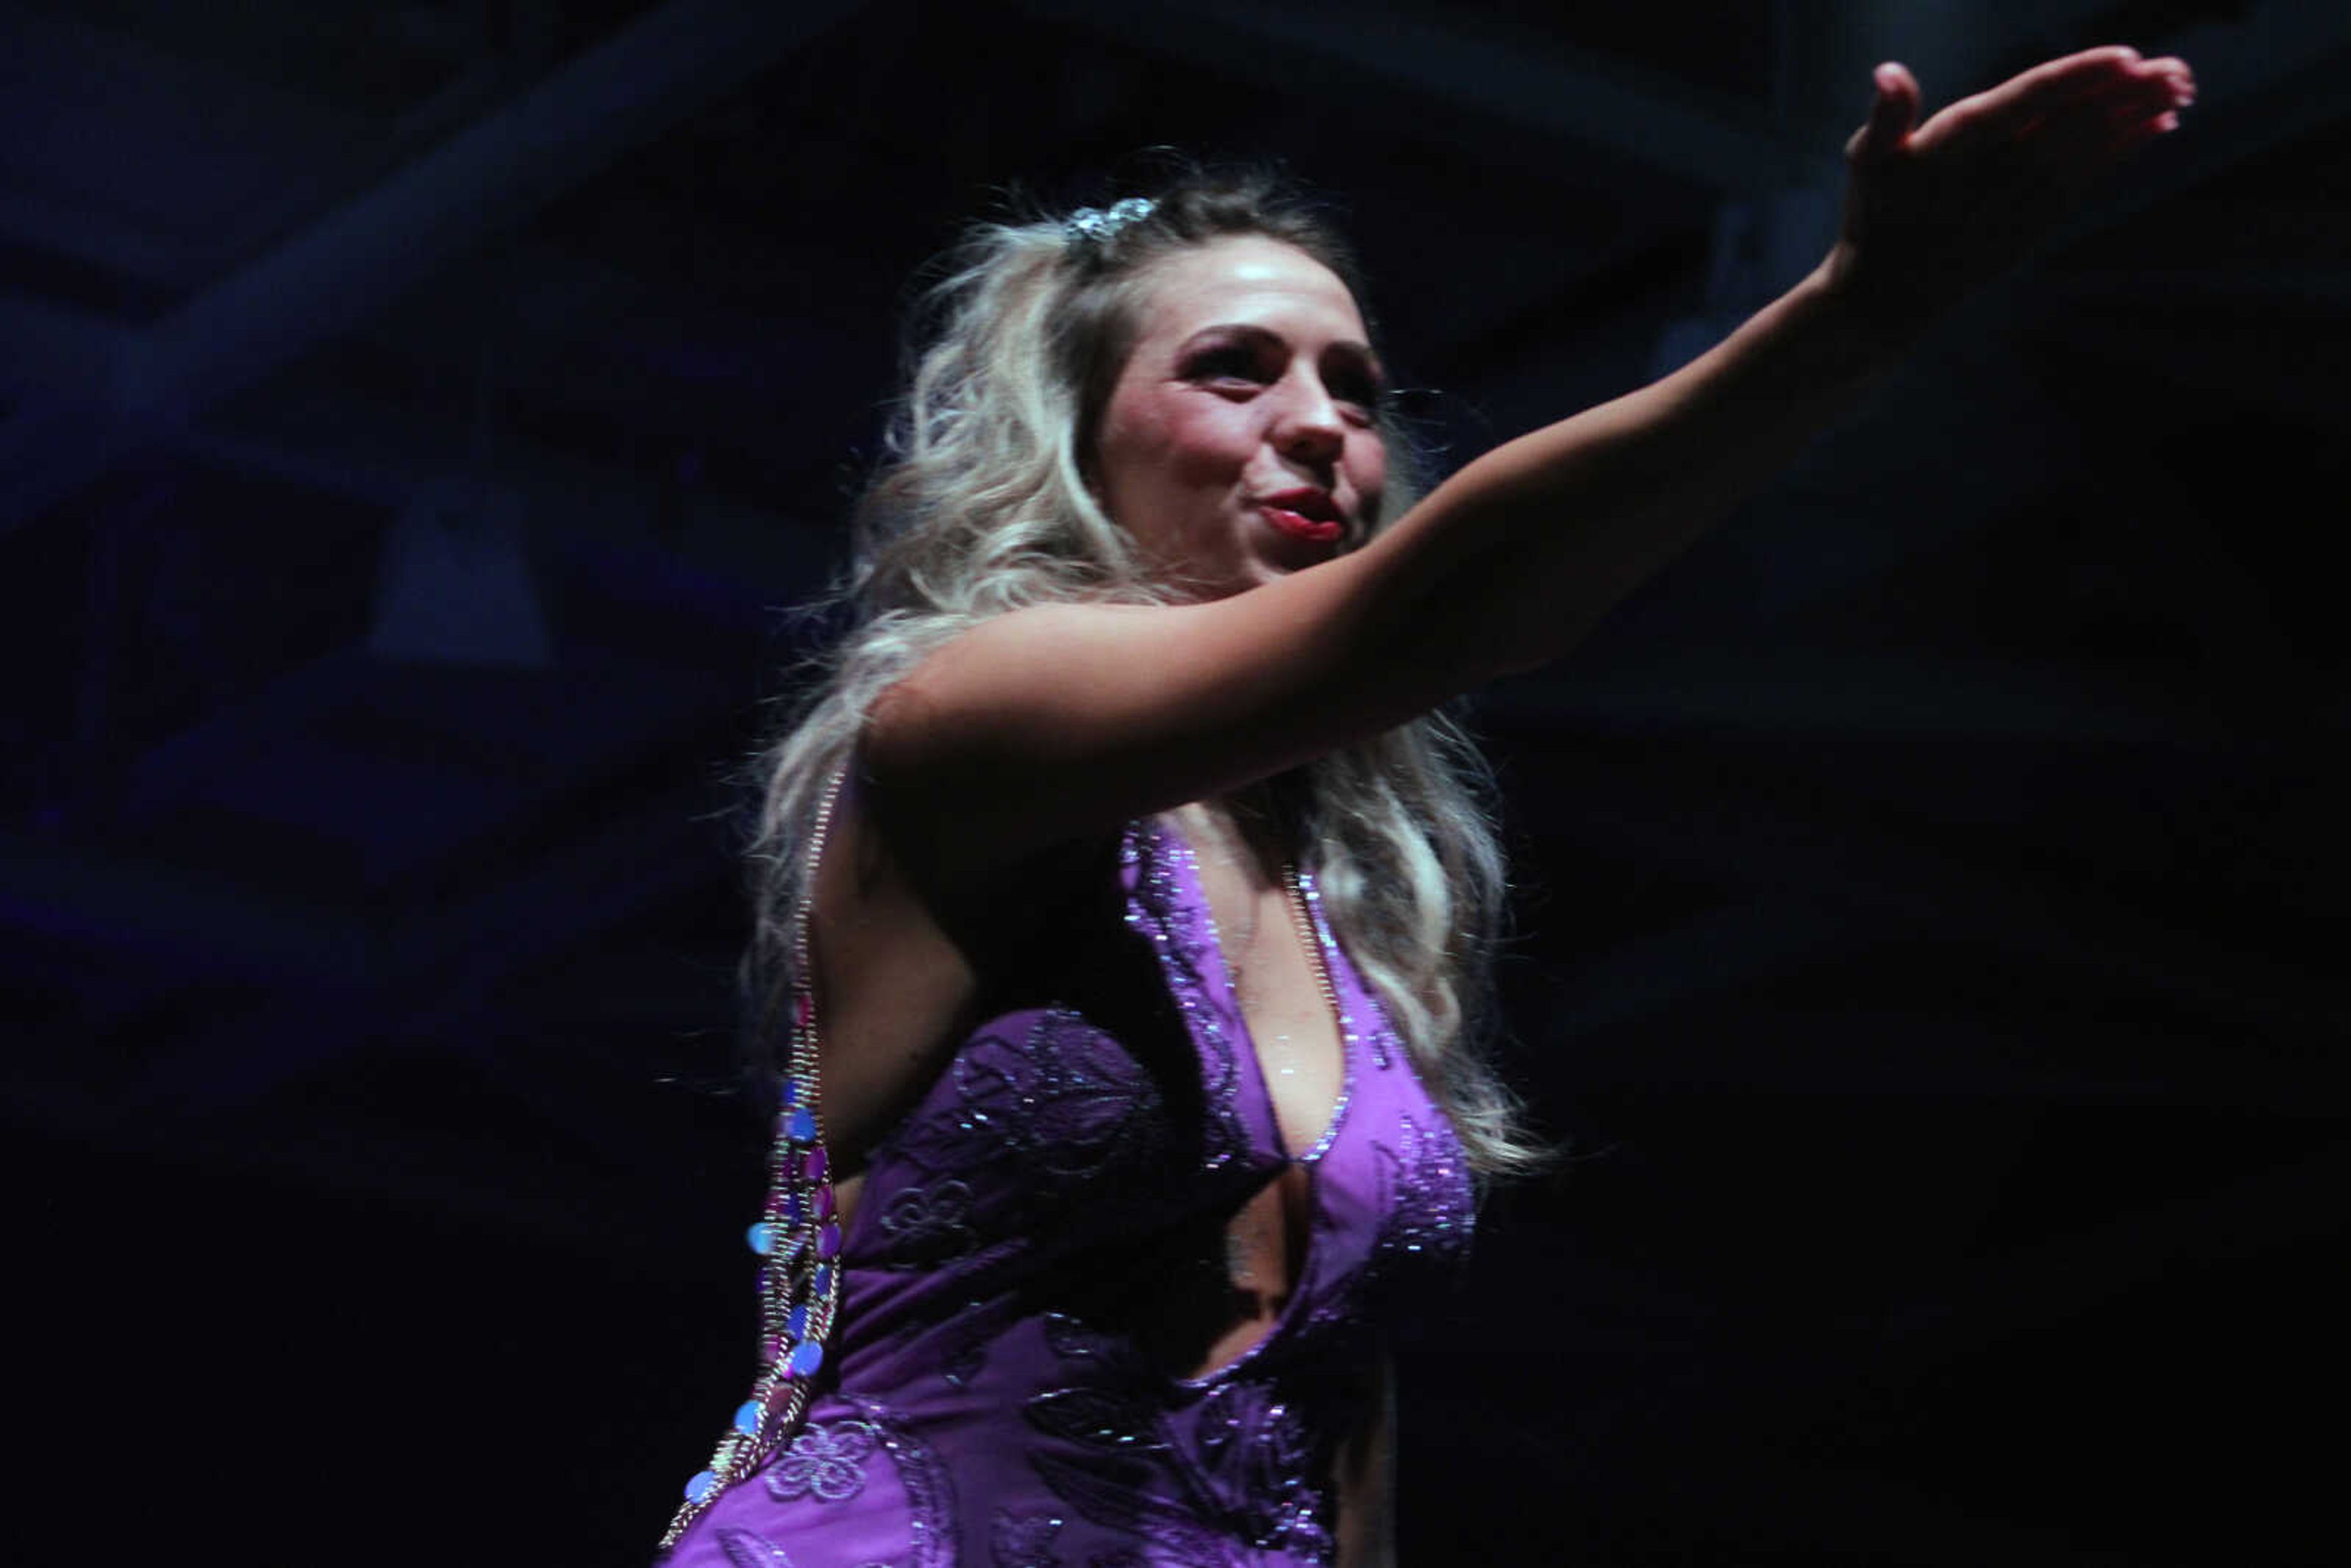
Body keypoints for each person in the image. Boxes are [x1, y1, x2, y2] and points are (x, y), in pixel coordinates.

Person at [657, 46, 2195, 1567]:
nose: (1326, 422)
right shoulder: (965, 727)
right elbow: (1449, 606)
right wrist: (1854, 318)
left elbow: (1338, 1439)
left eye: (1356, 388)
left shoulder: (1351, 934)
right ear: (1080, 438)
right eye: (1235, 368)